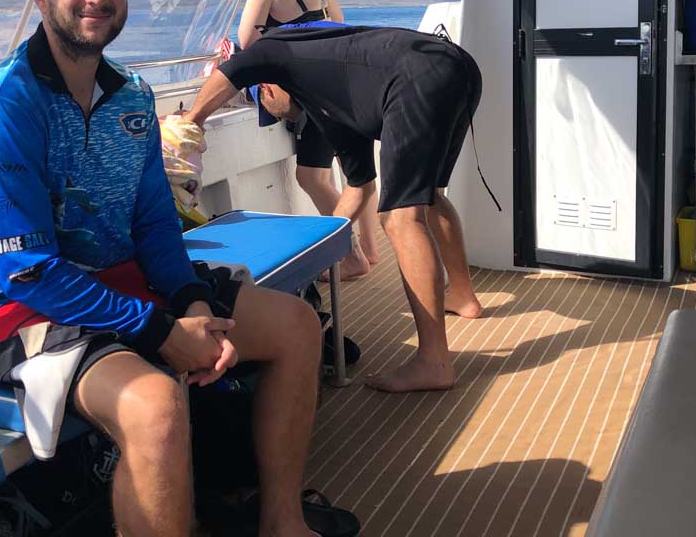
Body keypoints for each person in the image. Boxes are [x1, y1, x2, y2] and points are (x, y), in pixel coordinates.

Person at [0, 0, 354, 537]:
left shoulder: (132, 97)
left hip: (123, 282)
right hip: (10, 310)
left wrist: (187, 301)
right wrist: (161, 330)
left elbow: (157, 224)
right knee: (155, 405)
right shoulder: (1, 105)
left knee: (298, 326)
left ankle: (282, 521)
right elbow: (26, 270)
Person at [186, 24, 485, 394]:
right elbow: (359, 188)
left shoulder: (278, 50)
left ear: (266, 87)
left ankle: (434, 362)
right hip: (455, 68)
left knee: (400, 217)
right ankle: (463, 295)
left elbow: (234, 69)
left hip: (416, 75)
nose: (280, 117)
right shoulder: (328, 105)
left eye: (270, 109)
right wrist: (319, 248)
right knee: (431, 195)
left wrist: (190, 123)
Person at [228, 0, 380, 278]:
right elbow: (337, 24)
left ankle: (352, 257)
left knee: (312, 177)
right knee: (354, 173)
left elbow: (248, 39)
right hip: (345, 83)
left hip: (315, 91)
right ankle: (371, 249)